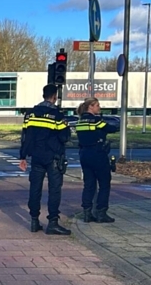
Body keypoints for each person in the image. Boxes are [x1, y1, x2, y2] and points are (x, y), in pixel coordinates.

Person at [19, 84, 72, 235]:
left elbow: (25, 137)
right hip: (53, 157)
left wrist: (22, 156)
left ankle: (34, 220)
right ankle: (53, 223)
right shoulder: (57, 115)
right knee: (54, 190)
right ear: (55, 96)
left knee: (35, 188)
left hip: (36, 157)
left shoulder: (30, 114)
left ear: (43, 95)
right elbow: (65, 137)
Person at [76, 97, 120, 223]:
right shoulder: (96, 121)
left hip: (84, 154)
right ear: (90, 106)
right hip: (98, 154)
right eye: (97, 105)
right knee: (104, 183)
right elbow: (111, 128)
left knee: (89, 184)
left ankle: (87, 213)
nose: (99, 108)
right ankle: (101, 213)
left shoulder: (80, 121)